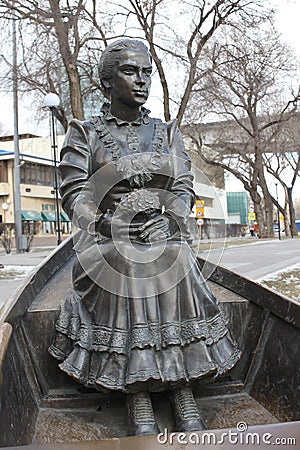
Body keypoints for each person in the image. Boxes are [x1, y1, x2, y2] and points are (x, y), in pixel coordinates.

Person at [49, 39, 241, 436]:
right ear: (107, 81)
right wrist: (107, 224)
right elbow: (75, 192)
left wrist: (170, 219)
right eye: (130, 71)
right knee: (124, 261)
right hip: (106, 241)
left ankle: (182, 388)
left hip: (160, 236)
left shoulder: (166, 131)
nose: (142, 81)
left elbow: (184, 185)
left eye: (147, 72)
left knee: (176, 257)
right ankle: (138, 397)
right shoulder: (83, 132)